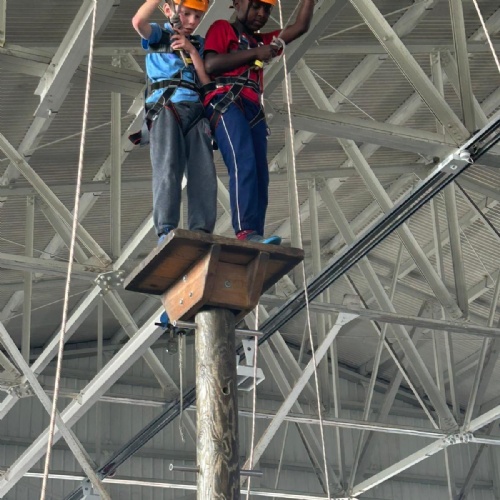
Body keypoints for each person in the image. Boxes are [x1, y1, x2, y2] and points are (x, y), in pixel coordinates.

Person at [202, 0, 314, 245]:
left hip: (252, 108)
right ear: (237, 4)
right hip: (226, 102)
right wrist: (255, 53)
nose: (261, 14)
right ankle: (245, 231)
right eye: (255, 6)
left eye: (267, 9)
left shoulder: (263, 41)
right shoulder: (223, 28)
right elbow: (210, 64)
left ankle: (255, 234)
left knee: (260, 173)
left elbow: (300, 27)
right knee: (243, 161)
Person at [132, 0, 217, 245]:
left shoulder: (199, 44)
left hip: (196, 111)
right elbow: (138, 22)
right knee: (168, 167)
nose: (192, 21)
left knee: (203, 172)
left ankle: (202, 231)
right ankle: (166, 229)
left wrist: (191, 50)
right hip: (166, 106)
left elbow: (206, 81)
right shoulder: (159, 35)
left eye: (197, 16)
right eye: (187, 14)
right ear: (170, 11)